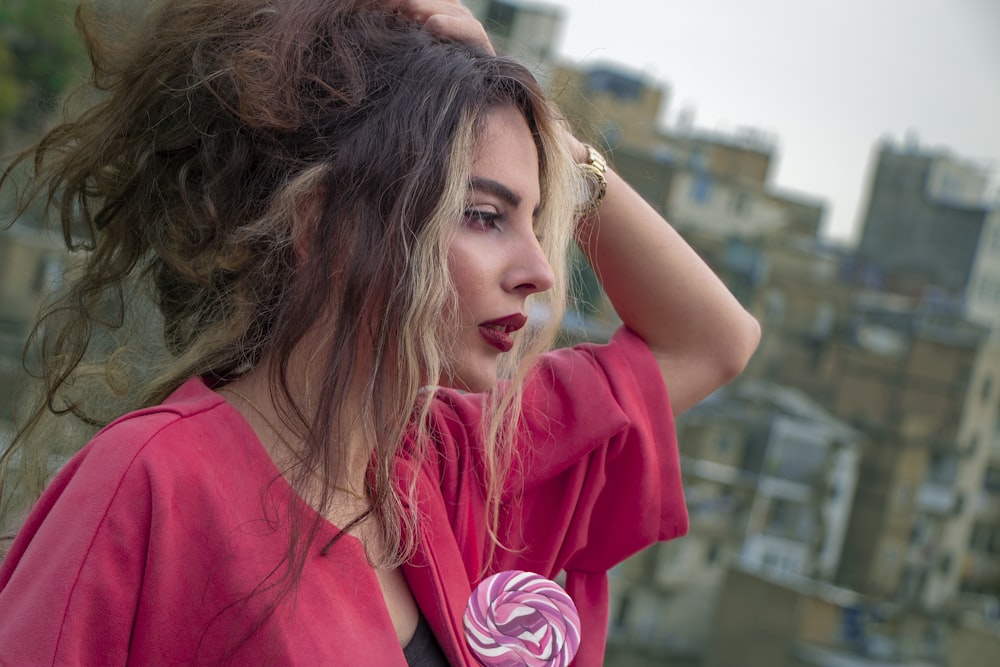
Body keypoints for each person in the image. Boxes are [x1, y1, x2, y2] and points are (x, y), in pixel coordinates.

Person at [0, 0, 760, 664]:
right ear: (322, 222)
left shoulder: (447, 472)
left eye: (538, 223)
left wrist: (534, 125)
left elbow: (712, 340)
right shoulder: (151, 479)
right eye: (485, 216)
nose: (539, 271)